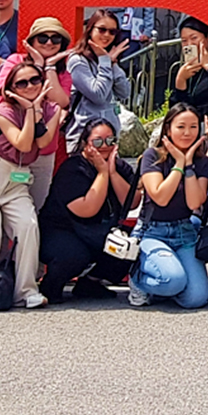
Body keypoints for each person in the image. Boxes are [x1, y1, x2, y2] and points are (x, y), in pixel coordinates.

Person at [0, 58, 67, 310]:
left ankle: (27, 290)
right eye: (22, 83)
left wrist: (39, 111)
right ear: (10, 88)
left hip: (18, 179)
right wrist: (31, 111)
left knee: (28, 227)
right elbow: (22, 143)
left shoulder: (52, 109)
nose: (30, 85)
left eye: (35, 79)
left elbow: (43, 144)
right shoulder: (4, 110)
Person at [38, 116, 138, 303]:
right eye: (98, 141)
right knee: (74, 255)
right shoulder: (73, 168)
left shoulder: (119, 166)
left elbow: (131, 203)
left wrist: (113, 172)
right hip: (62, 230)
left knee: (131, 246)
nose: (105, 146)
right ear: (85, 143)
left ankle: (90, 283)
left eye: (110, 140)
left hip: (97, 231)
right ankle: (50, 286)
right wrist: (102, 173)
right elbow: (87, 209)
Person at [129, 104, 208, 309]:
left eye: (193, 127)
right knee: (173, 280)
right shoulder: (152, 156)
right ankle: (138, 278)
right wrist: (179, 164)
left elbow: (194, 203)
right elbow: (160, 197)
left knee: (196, 298)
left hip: (184, 231)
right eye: (181, 126)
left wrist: (189, 164)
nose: (187, 132)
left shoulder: (202, 162)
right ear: (168, 129)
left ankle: (165, 286)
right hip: (152, 231)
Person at [64, 10, 130, 149]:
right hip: (85, 138)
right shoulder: (78, 60)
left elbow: (124, 93)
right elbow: (97, 95)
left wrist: (112, 64)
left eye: (112, 32)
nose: (106, 35)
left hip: (109, 136)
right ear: (90, 29)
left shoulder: (106, 59)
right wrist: (105, 62)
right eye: (102, 29)